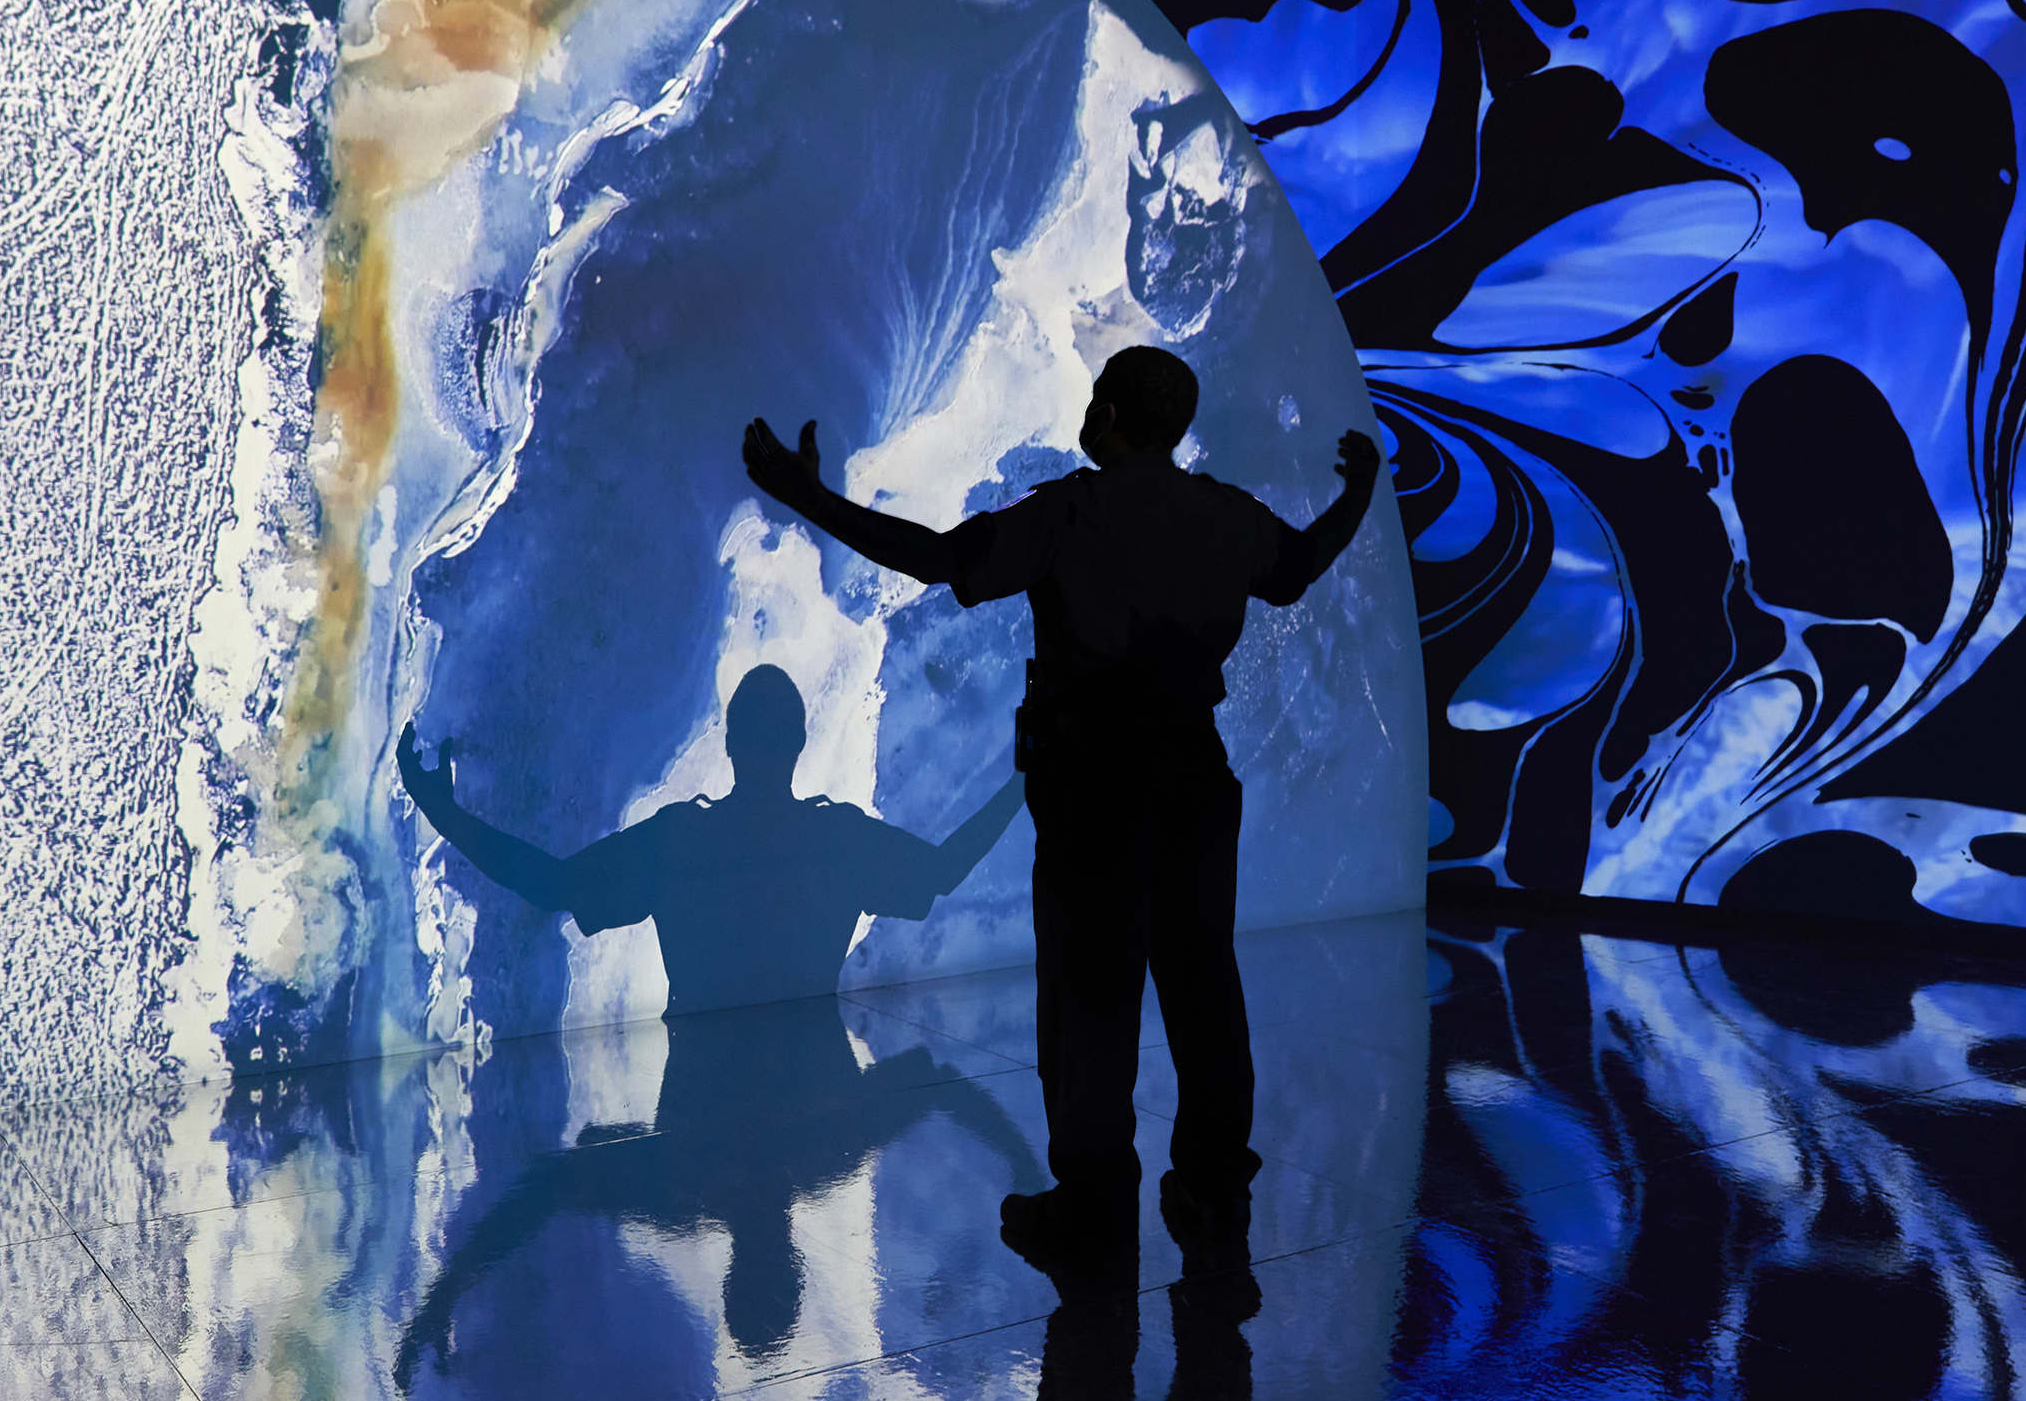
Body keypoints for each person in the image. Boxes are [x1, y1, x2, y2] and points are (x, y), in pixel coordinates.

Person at [738, 344, 1379, 1265]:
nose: (1087, 410)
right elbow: (1299, 566)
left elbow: (935, 558)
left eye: (1096, 399)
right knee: (1205, 989)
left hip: (1095, 794)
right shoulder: (1225, 516)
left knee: (1091, 1007)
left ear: (1111, 417)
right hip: (1197, 784)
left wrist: (805, 497)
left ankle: (1093, 1213)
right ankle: (1211, 1192)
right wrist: (1359, 493)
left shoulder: (1072, 513)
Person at [396, 663, 1023, 1015]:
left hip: (697, 1104)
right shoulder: (837, 839)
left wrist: (445, 814)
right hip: (808, 1092)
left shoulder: (681, 842)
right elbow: (943, 870)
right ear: (800, 744)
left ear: (729, 744)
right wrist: (1024, 781)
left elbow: (551, 883)